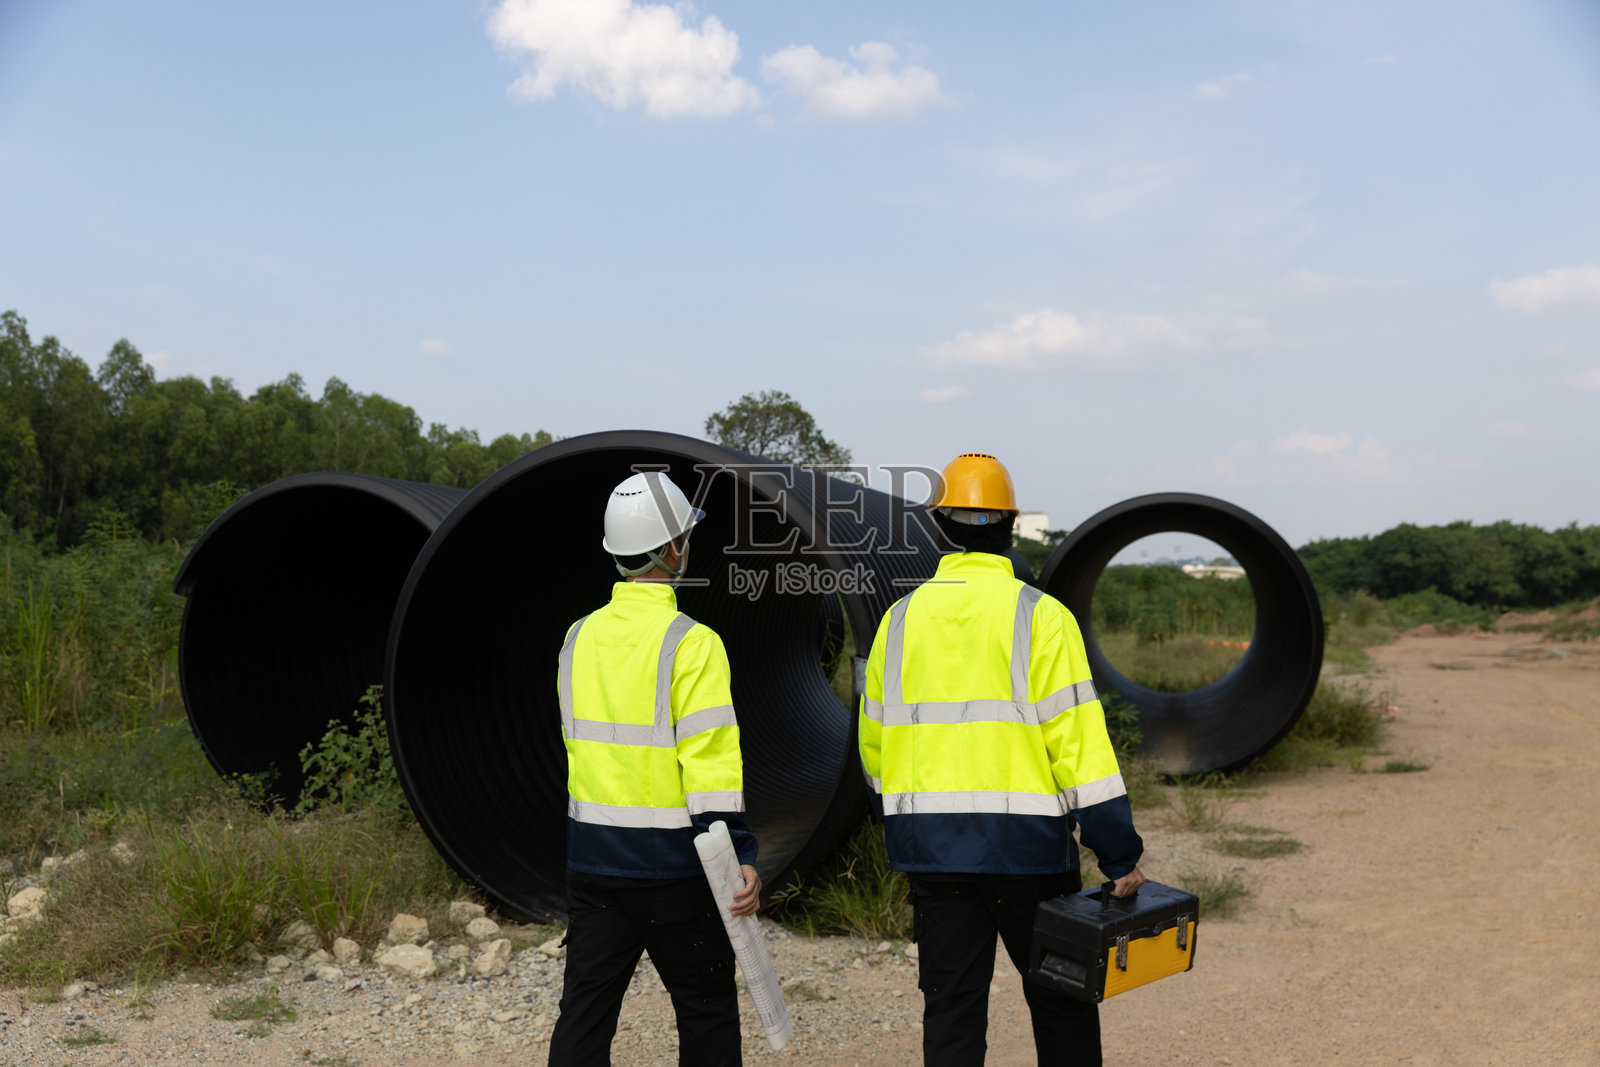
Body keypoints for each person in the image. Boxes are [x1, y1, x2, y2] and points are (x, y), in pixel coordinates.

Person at [858, 452, 1145, 1067]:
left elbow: (874, 749)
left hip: (933, 854)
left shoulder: (898, 622)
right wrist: (1117, 852)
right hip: (1030, 854)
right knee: (1062, 1001)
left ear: (939, 529)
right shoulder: (1042, 617)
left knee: (953, 1006)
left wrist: (912, 818)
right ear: (1010, 526)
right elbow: (1081, 750)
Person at [548, 470, 761, 1067]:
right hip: (675, 872)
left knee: (585, 1015)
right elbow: (711, 769)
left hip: (592, 864)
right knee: (706, 1011)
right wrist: (739, 856)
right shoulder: (692, 643)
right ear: (673, 549)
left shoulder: (576, 638)